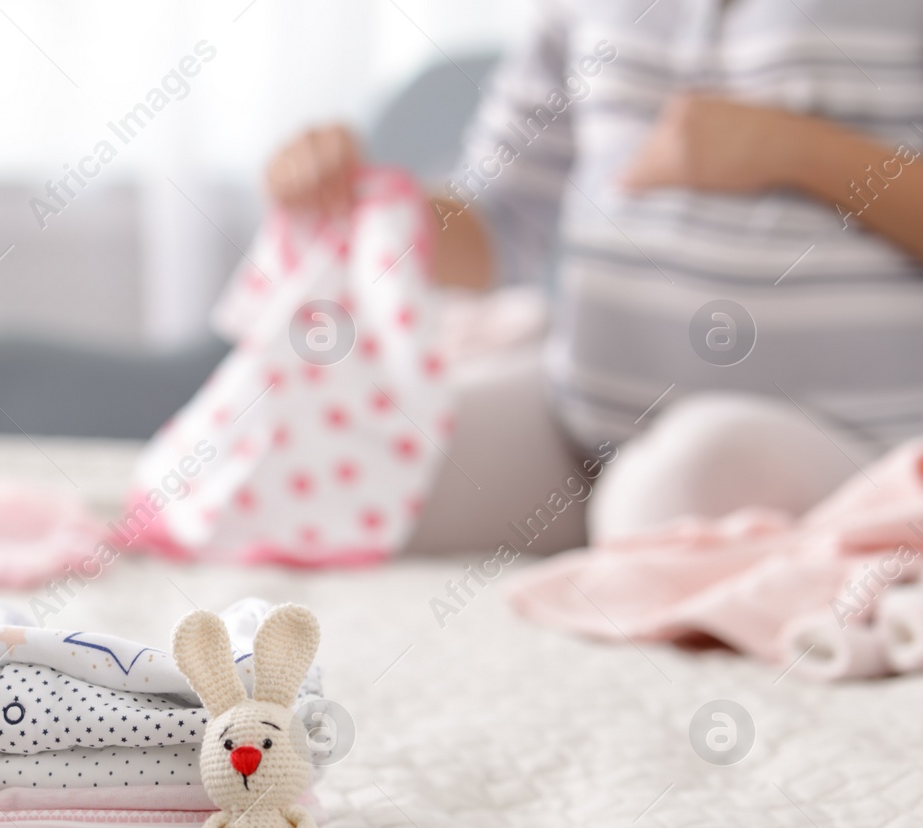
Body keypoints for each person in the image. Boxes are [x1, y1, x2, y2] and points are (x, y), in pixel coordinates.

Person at [267, 1, 923, 549]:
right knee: (330, 465)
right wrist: (366, 202)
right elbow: (500, 222)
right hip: (582, 425)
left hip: (856, 447)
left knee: (675, 487)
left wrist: (797, 150)